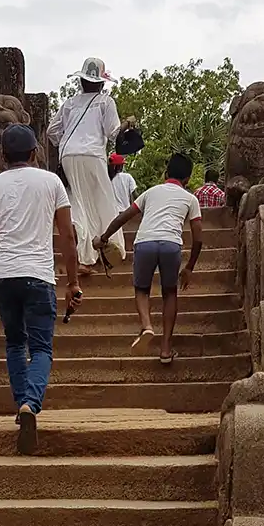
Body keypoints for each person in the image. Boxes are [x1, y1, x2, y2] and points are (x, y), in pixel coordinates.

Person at [0, 124, 81, 455]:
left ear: (2, 157)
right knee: (42, 348)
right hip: (38, 275)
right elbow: (67, 236)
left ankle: (22, 406)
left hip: (3, 275)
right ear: (35, 153)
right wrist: (73, 282)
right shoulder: (52, 183)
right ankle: (31, 403)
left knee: (15, 344)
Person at [94, 153, 202, 366]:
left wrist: (104, 238)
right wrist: (189, 267)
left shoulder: (150, 192)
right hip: (171, 244)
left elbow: (123, 217)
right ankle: (165, 350)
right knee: (169, 293)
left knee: (142, 289)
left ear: (166, 173)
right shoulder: (191, 199)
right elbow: (198, 239)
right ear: (188, 179)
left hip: (144, 243)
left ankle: (146, 326)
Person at [47, 57, 123, 272]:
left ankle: (84, 256)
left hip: (68, 156)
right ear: (101, 83)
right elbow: (113, 132)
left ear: (81, 81)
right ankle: (107, 249)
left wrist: (64, 144)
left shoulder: (70, 103)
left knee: (78, 203)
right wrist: (126, 126)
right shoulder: (105, 102)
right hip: (93, 155)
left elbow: (51, 131)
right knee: (102, 199)